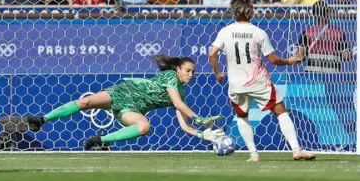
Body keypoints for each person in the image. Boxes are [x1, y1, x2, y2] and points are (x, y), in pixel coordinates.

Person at [23, 55, 223, 150]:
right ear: (178, 69)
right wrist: (200, 118)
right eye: (188, 70)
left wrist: (202, 133)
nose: (191, 75)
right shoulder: (171, 77)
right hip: (124, 92)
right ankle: (42, 120)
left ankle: (100, 141)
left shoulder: (180, 94)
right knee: (86, 102)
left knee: (144, 126)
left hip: (131, 108)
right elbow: (179, 106)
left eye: (193, 72)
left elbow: (183, 125)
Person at [209, 0, 315, 162]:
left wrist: (218, 73)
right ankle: (296, 149)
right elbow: (272, 60)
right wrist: (289, 61)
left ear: (233, 12)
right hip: (258, 81)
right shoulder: (258, 32)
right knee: (280, 111)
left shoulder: (225, 31)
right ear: (250, 12)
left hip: (236, 83)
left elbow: (212, 54)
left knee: (242, 116)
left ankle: (254, 154)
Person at [296, 0, 351, 74]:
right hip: (332, 74)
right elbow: (346, 56)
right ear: (328, 14)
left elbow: (299, 57)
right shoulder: (338, 33)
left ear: (313, 15)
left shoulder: (307, 33)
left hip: (312, 74)